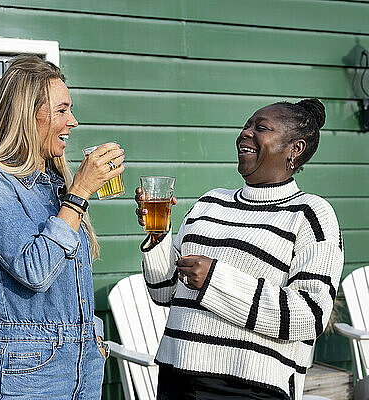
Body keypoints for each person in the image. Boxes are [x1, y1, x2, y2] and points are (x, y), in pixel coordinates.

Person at [135, 99, 344, 400]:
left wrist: (214, 280)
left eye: (261, 128)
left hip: (249, 387)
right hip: (176, 377)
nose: (245, 133)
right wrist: (157, 236)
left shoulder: (310, 214)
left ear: (294, 149)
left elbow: (310, 316)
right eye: (246, 126)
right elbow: (164, 292)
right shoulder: (210, 202)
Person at [0, 55, 124, 400]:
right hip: (28, 372)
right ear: (27, 115)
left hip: (83, 364)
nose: (73, 121)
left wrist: (90, 343)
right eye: (61, 110)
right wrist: (79, 194)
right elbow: (35, 270)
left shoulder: (53, 183)